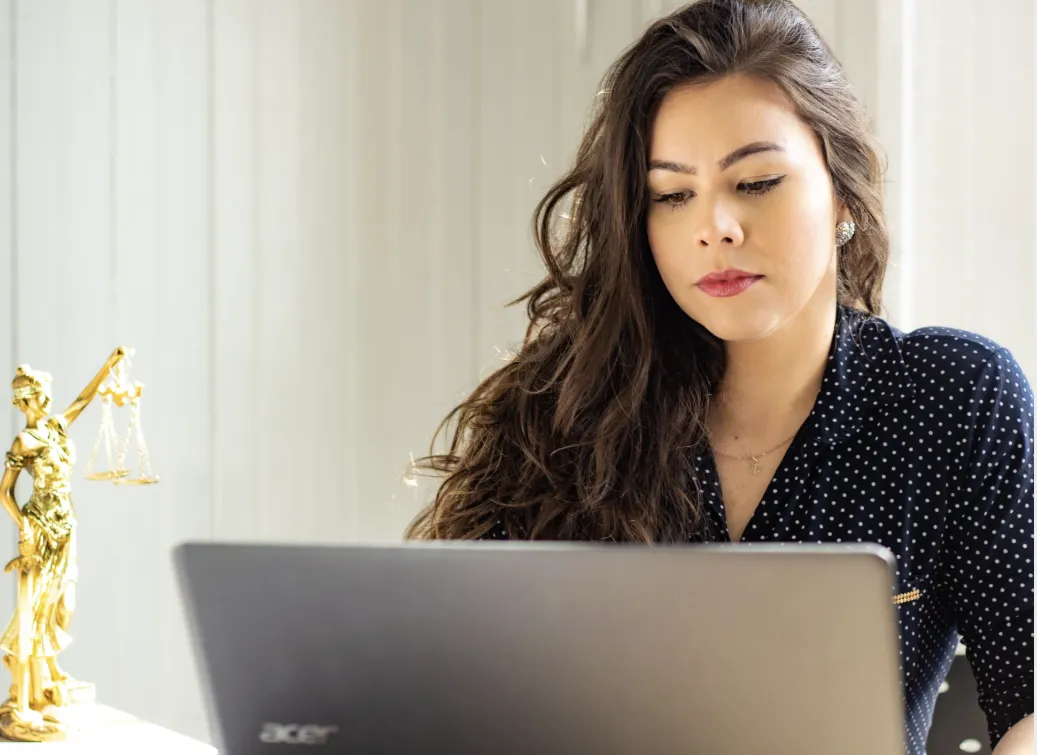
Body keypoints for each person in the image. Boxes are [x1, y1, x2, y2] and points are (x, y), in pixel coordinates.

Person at [404, 1, 1034, 752]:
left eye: (757, 181)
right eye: (672, 196)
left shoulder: (950, 397)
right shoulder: (559, 411)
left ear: (839, 191)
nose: (715, 228)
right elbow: (446, 699)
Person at [0, 348, 126, 740]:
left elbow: (84, 401)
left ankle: (48, 680)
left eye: (41, 393)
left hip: (67, 525)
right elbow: (5, 492)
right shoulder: (24, 440)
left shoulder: (56, 427)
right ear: (25, 400)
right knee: (36, 608)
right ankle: (29, 693)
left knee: (63, 607)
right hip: (41, 528)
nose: (41, 400)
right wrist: (24, 527)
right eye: (35, 394)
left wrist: (107, 366)